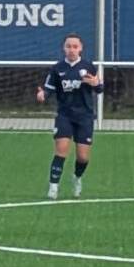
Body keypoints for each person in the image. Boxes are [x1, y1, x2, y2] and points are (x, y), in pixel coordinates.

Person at [36, 32, 102, 200]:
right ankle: (53, 187)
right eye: (68, 46)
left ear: (80, 48)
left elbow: (99, 89)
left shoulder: (88, 67)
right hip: (65, 115)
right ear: (63, 48)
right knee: (61, 151)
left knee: (82, 156)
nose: (71, 50)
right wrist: (43, 95)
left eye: (75, 46)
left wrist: (96, 84)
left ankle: (77, 178)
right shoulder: (57, 69)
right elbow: (49, 89)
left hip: (85, 117)